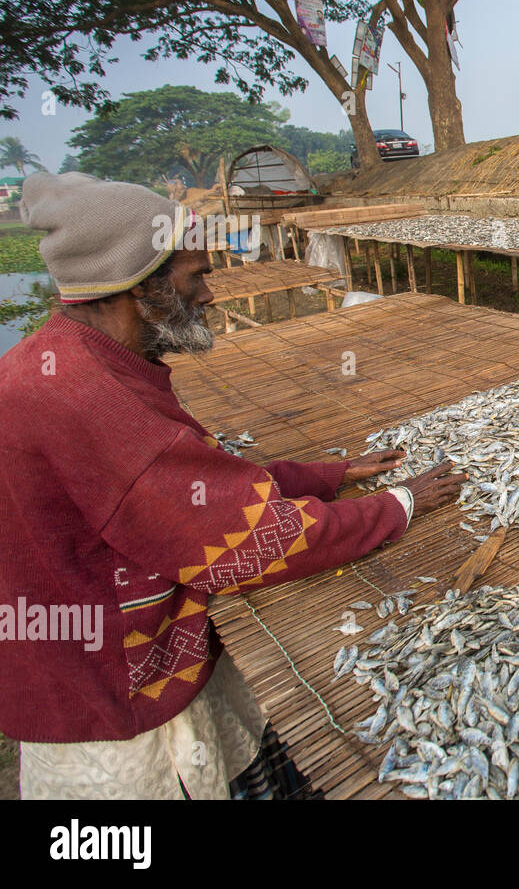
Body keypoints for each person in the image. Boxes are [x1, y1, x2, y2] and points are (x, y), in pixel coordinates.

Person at [0, 171, 466, 799]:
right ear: (137, 290)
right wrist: (400, 504)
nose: (212, 295)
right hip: (115, 702)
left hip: (70, 657)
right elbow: (258, 542)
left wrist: (330, 475)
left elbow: (185, 482)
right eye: (196, 277)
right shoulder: (92, 400)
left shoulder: (59, 357)